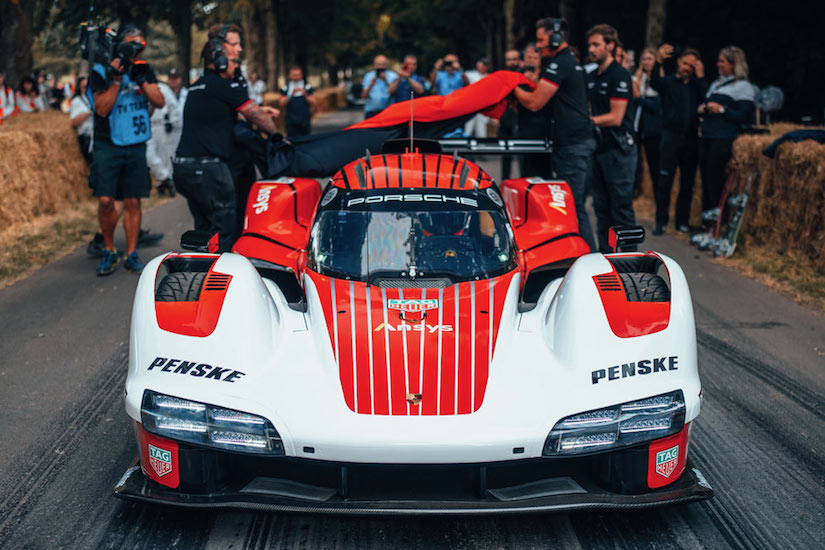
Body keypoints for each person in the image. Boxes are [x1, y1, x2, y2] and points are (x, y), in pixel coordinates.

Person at [174, 25, 280, 252]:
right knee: (225, 231)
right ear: (220, 61)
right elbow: (255, 115)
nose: (236, 62)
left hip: (184, 168)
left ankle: (198, 274)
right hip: (212, 168)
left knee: (203, 228)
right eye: (233, 59)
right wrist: (278, 137)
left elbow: (217, 114)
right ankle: (221, 277)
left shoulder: (196, 87)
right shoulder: (225, 85)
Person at [87, 25, 165, 275]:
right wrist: (118, 80)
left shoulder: (143, 68)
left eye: (141, 44)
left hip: (135, 143)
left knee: (133, 200)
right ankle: (108, 249)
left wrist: (140, 78)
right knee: (106, 200)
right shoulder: (101, 71)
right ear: (120, 45)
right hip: (108, 144)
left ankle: (132, 253)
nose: (137, 49)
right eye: (132, 43)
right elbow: (101, 108)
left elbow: (159, 101)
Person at [515, 18, 597, 251]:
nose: (539, 46)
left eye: (541, 40)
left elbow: (534, 103)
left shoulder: (559, 63)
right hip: (573, 143)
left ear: (555, 38)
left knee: (573, 207)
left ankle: (589, 259)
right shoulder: (566, 62)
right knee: (572, 205)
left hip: (572, 145)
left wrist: (512, 86)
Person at [586, 24, 638, 252]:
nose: (591, 49)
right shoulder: (591, 76)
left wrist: (587, 121)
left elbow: (616, 117)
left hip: (619, 150)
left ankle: (629, 260)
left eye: (596, 44)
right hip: (598, 148)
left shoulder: (620, 75)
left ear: (610, 45)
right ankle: (605, 258)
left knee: (621, 208)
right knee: (601, 206)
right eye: (590, 44)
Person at [650, 45, 707, 235]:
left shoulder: (696, 86)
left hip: (691, 140)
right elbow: (655, 82)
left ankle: (682, 221)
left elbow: (706, 97)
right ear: (678, 62)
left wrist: (700, 76)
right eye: (685, 63)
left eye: (691, 65)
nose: (687, 68)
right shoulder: (668, 83)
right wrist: (658, 61)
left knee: (687, 183)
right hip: (670, 138)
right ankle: (661, 221)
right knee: (664, 181)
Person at [698, 46, 755, 214]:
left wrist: (722, 109)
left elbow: (745, 116)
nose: (718, 64)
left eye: (722, 61)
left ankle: (716, 224)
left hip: (722, 137)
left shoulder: (743, 87)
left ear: (733, 64)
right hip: (707, 135)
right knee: (706, 180)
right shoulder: (716, 84)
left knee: (716, 180)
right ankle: (706, 221)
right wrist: (703, 108)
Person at [516, 44, 552, 179]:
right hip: (525, 128)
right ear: (524, 59)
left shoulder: (547, 75)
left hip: (544, 128)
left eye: (535, 58)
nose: (531, 60)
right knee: (526, 171)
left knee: (545, 171)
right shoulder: (518, 77)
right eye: (529, 57)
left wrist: (536, 82)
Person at [146, 69, 183, 196]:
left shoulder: (162, 88)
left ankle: (164, 185)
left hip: (162, 125)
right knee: (149, 156)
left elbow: (174, 106)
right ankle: (165, 178)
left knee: (165, 157)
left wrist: (172, 122)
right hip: (148, 126)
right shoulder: (141, 88)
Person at [632, 47, 662, 196]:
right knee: (635, 162)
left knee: (654, 163)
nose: (646, 62)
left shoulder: (660, 81)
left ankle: (656, 195)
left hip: (653, 128)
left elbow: (658, 105)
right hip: (637, 126)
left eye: (649, 59)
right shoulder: (636, 78)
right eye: (644, 59)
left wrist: (640, 99)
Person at [499, 49, 522, 180]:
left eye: (514, 59)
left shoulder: (524, 76)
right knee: (505, 154)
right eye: (509, 59)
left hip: (519, 119)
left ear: (519, 60)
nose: (512, 62)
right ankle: (504, 182)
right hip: (504, 119)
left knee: (520, 153)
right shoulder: (502, 77)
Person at [279, 65, 316, 137]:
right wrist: (291, 95)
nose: (296, 77)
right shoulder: (285, 88)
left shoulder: (307, 87)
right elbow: (281, 103)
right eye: (294, 75)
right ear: (290, 76)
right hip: (290, 121)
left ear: (301, 75)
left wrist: (305, 95)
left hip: (304, 121)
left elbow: (314, 102)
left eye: (297, 75)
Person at [361, 55, 397, 119]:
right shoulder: (368, 76)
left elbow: (394, 93)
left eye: (383, 64)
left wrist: (386, 81)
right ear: (375, 65)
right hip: (371, 112)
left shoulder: (393, 76)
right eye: (379, 64)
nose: (381, 67)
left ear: (386, 65)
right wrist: (371, 84)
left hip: (388, 112)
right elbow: (363, 96)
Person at [69, 76, 93, 165]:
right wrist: (88, 113)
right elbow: (74, 122)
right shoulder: (77, 101)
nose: (87, 89)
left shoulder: (94, 98)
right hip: (86, 137)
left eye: (89, 86)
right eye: (84, 87)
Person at [463, 58, 491, 137]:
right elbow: (463, 78)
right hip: (470, 106)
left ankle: (482, 149)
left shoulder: (489, 77)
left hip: (483, 107)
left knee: (481, 132)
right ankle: (466, 148)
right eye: (482, 64)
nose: (483, 67)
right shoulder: (470, 74)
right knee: (468, 129)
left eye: (485, 65)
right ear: (477, 64)